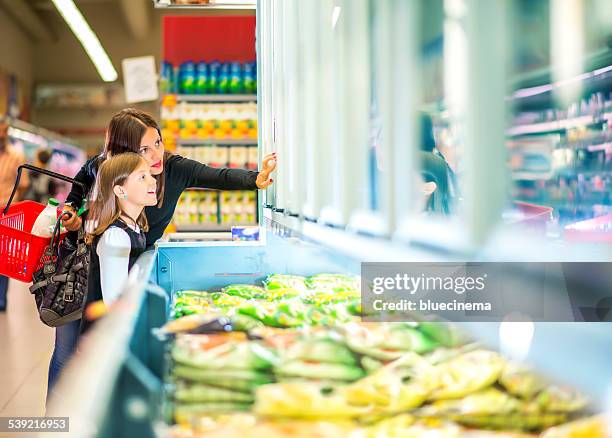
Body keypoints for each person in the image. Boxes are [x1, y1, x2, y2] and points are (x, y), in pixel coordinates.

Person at [46, 108, 276, 398]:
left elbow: (217, 176)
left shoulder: (173, 169)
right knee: (68, 353)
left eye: (158, 142)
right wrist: (70, 207)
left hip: (131, 263)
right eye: (145, 149)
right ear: (123, 156)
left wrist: (256, 179)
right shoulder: (106, 169)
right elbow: (80, 182)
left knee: (96, 351)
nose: (156, 155)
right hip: (84, 267)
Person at [81, 152, 158, 333]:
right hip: (103, 339)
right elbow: (114, 302)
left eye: (150, 175)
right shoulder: (116, 236)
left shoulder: (134, 226)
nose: (153, 181)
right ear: (120, 190)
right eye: (142, 177)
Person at [0, 120, 29, 312]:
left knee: (4, 257)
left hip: (6, 212)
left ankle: (1, 299)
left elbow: (24, 184)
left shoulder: (16, 156)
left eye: (3, 131)